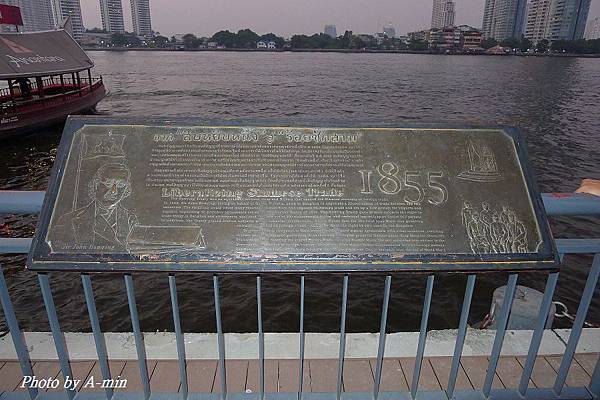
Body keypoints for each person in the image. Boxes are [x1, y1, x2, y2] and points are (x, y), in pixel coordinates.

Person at [49, 163, 138, 252]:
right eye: (108, 183)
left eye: (121, 185)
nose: (114, 191)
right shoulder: (67, 220)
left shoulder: (131, 221)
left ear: (126, 188)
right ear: (96, 185)